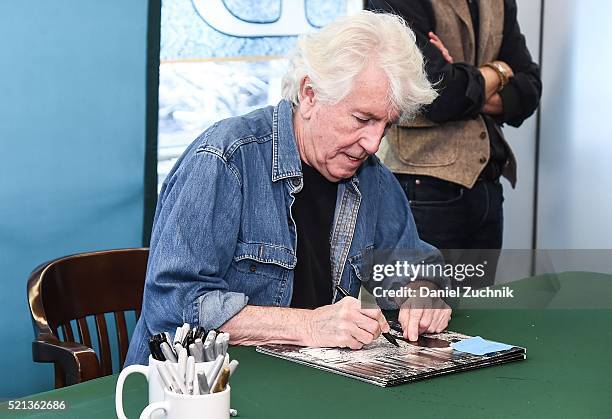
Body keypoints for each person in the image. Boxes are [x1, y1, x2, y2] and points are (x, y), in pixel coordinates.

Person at [126, 11, 451, 366]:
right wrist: (310, 325)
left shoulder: (372, 177)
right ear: (310, 94)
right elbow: (173, 307)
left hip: (310, 385)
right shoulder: (224, 160)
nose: (374, 143)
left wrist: (423, 294)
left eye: (386, 125)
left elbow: (416, 265)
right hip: (198, 392)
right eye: (362, 119)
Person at [366, 0, 542, 278]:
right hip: (423, 186)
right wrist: (500, 70)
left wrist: (462, 80)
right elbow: (442, 95)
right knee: (421, 311)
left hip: (487, 183)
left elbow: (530, 88)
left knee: (480, 316)